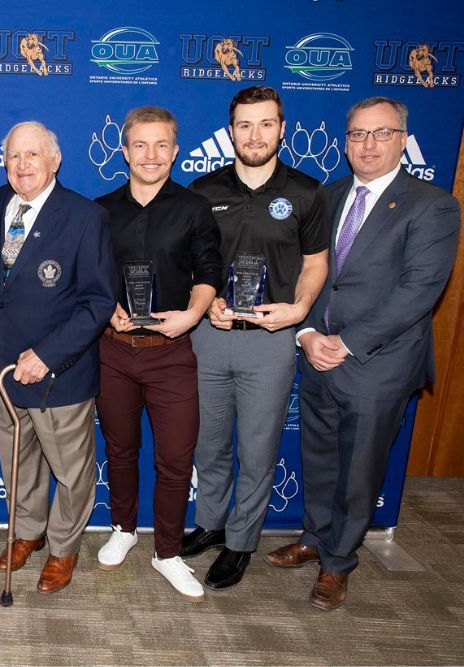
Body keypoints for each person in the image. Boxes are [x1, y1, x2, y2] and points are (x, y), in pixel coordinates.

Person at [267, 97, 459, 610]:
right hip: (316, 354)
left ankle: (338, 564)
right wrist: (307, 334)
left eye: (380, 133)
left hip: (379, 364)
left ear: (402, 139)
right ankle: (315, 537)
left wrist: (347, 344)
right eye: (357, 134)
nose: (367, 144)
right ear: (345, 139)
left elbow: (419, 291)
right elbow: (300, 275)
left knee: (359, 471)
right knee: (320, 459)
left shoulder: (431, 204)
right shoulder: (325, 197)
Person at [185, 85, 329, 590]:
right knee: (209, 442)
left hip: (271, 340)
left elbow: (315, 262)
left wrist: (301, 308)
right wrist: (207, 303)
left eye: (266, 124)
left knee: (259, 447)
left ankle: (241, 541)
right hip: (210, 333)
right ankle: (210, 523)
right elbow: (189, 261)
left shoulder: (308, 192)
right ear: (231, 131)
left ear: (282, 129)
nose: (255, 135)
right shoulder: (203, 191)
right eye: (244, 125)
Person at [0, 121, 116, 594]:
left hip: (60, 374)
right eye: (14, 156)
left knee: (72, 472)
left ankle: (62, 549)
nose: (22, 166)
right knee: (18, 460)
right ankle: (28, 533)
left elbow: (99, 302)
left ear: (55, 160)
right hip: (4, 370)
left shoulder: (85, 216)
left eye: (33, 155)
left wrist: (49, 354)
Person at [94, 107, 222, 601]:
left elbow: (210, 270)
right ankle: (123, 528)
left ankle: (167, 551)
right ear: (124, 151)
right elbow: (91, 275)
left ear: (174, 149)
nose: (151, 155)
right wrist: (108, 311)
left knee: (175, 458)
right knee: (120, 450)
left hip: (172, 352)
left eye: (162, 145)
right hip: (114, 352)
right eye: (140, 145)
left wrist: (191, 316)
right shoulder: (99, 210)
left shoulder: (194, 208)